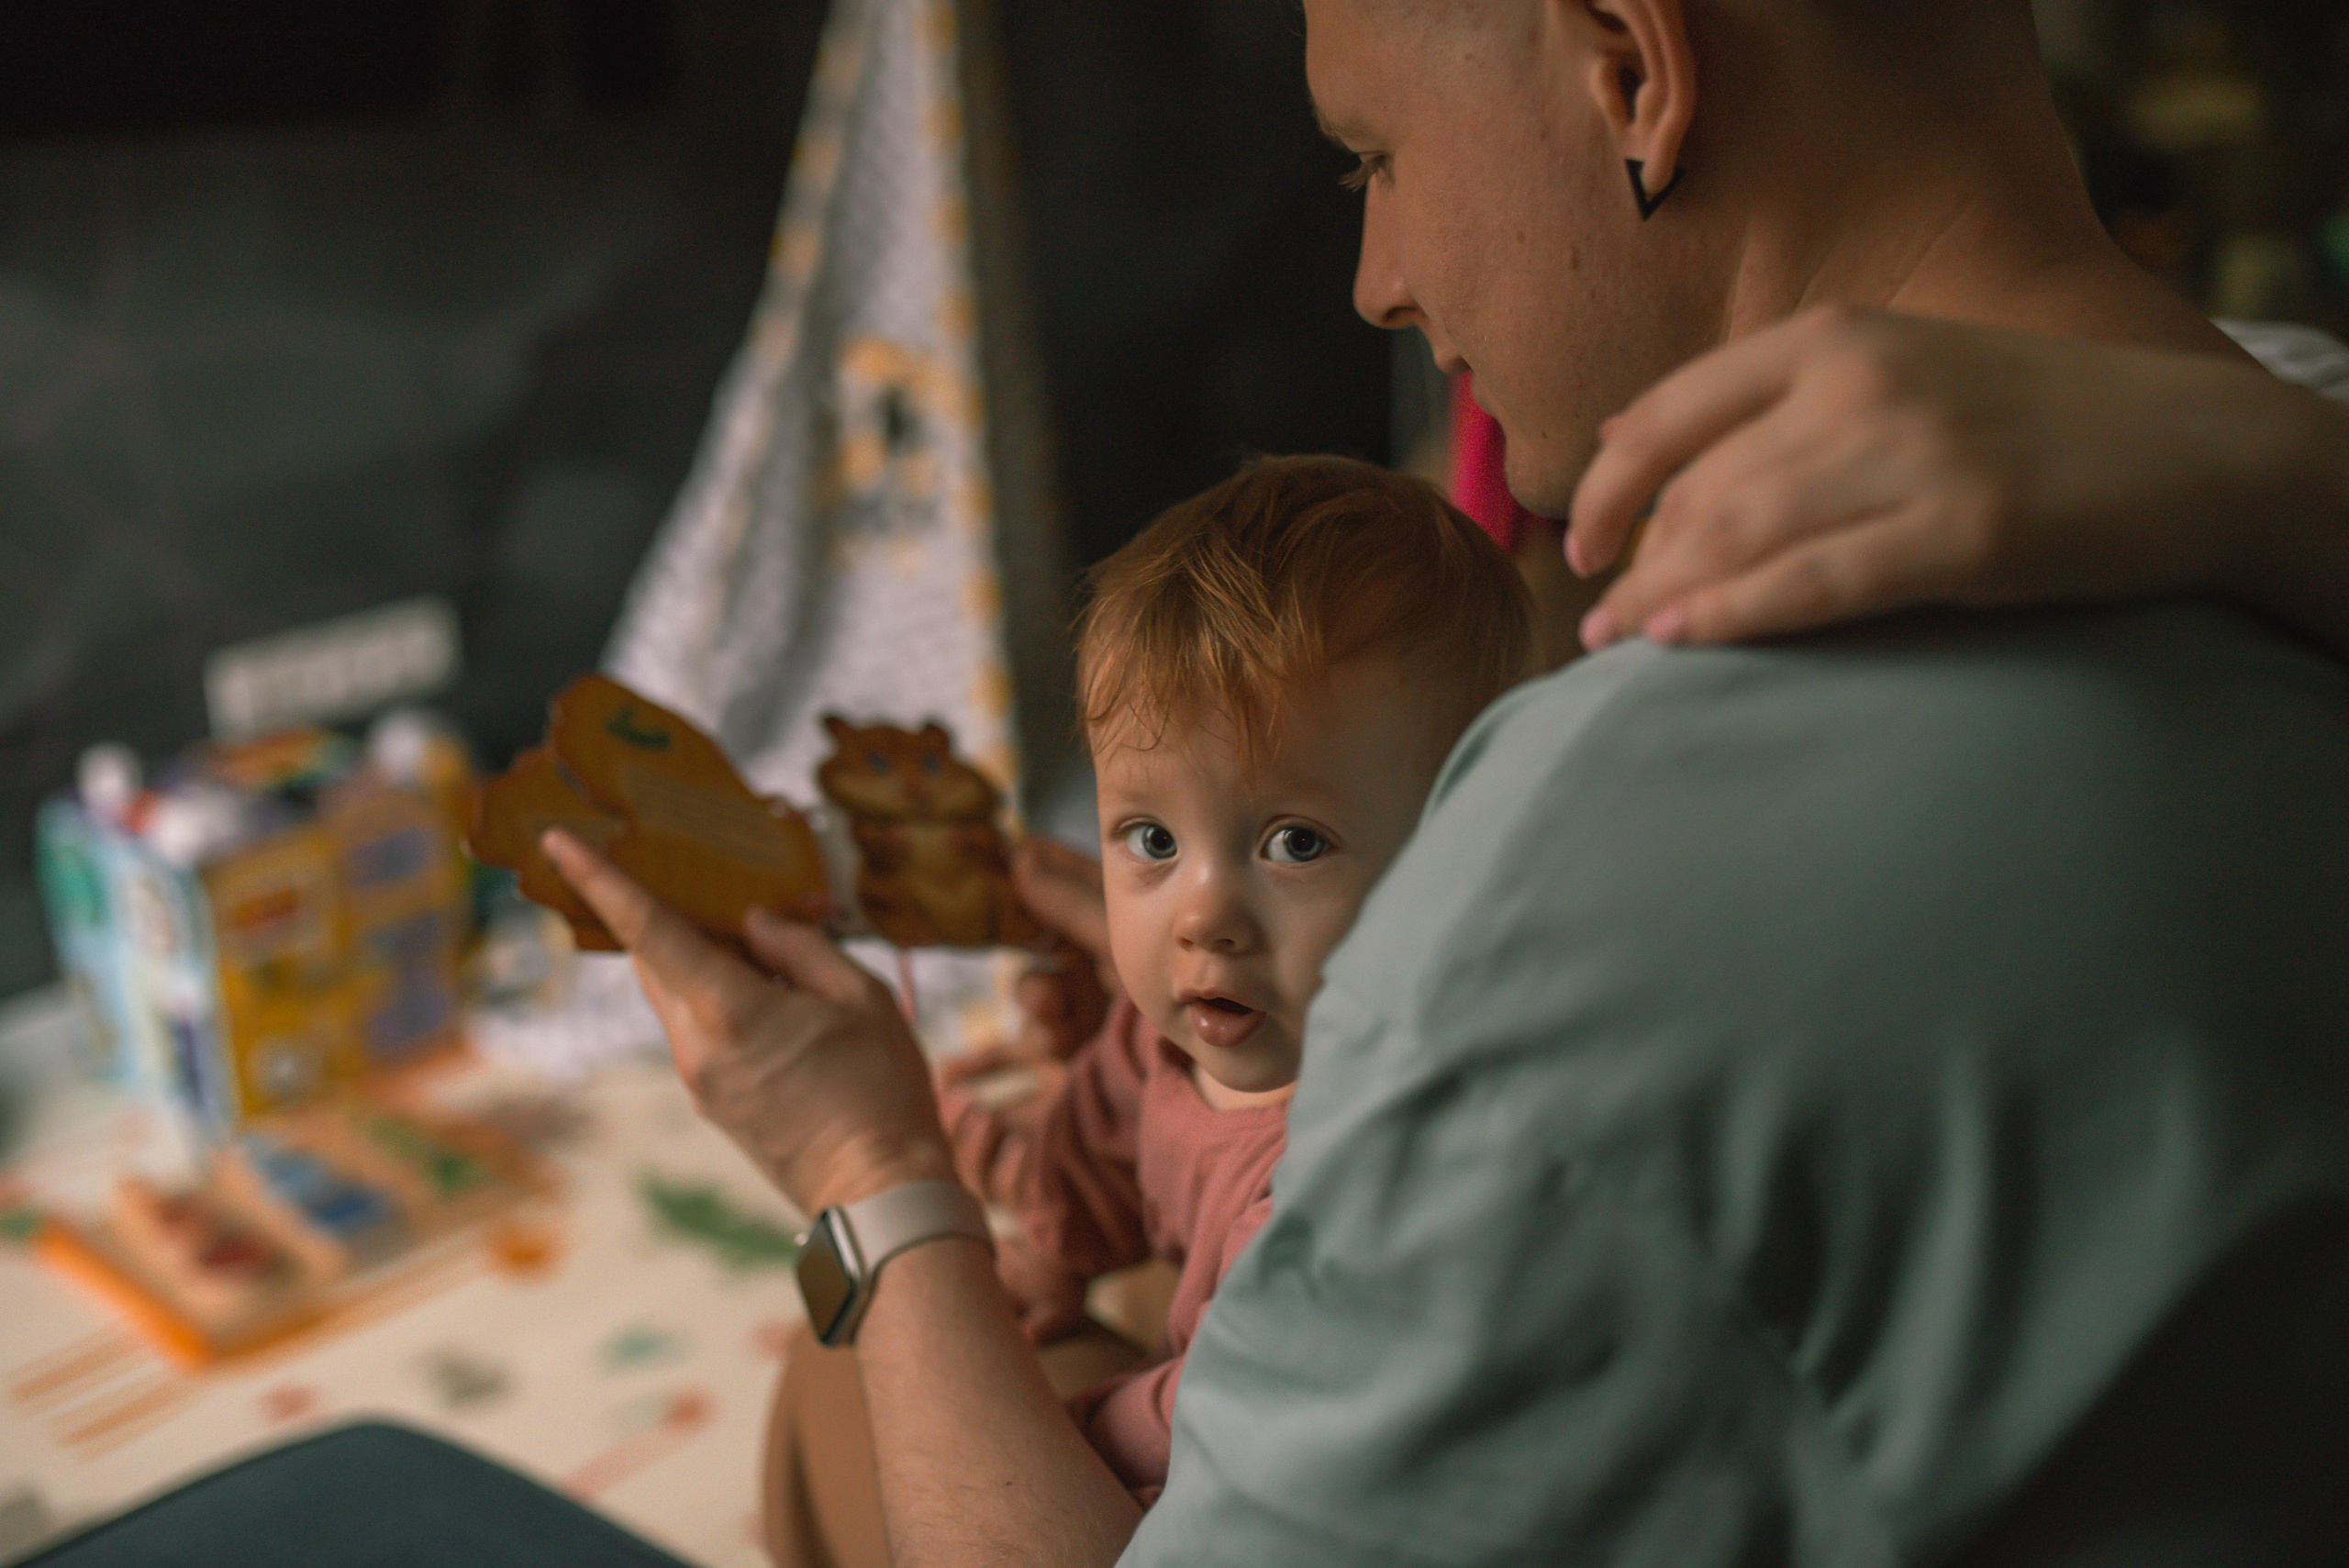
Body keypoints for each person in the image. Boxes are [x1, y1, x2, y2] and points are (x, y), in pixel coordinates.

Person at [543, 2, 2349, 1564]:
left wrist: (870, 1170)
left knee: (840, 1370)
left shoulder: (1545, 915)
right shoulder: (2269, 435)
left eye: (1370, 157)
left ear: (1631, 67)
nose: (1373, 275)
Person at [762, 455, 1534, 1563]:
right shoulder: (1191, 1023)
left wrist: (1065, 1423)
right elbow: (1102, 1124)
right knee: (852, 1342)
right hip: (1228, 1400)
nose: (1201, 915)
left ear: (1461, 850)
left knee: (888, 1387)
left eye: (1294, 842)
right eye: (1152, 840)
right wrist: (1053, 1252)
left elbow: (1222, 1414)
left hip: (1326, 1497)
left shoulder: (1362, 1175)